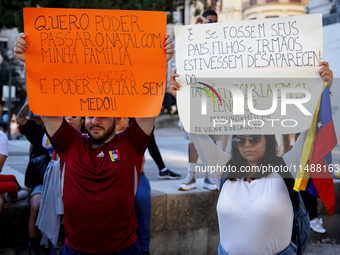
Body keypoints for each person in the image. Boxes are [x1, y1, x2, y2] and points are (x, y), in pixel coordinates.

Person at [14, 32, 174, 254]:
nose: (94, 121)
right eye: (89, 115)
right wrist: (31, 62)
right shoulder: (70, 142)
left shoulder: (131, 142)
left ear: (118, 118)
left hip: (124, 250)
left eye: (102, 115)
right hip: (75, 249)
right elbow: (48, 104)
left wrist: (158, 62)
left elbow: (148, 103)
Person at [169, 62, 333, 254]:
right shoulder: (223, 167)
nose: (246, 144)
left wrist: (324, 90)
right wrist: (181, 99)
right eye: (240, 139)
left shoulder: (287, 167)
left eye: (254, 138)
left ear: (267, 139)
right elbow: (198, 135)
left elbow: (310, 133)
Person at [179, 9, 219, 191]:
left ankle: (210, 176)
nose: (212, 25)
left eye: (215, 22)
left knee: (212, 136)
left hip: (213, 95)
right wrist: (197, 27)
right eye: (209, 21)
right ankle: (191, 175)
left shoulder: (220, 41)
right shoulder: (193, 37)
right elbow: (184, 47)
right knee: (193, 138)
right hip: (194, 94)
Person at [16, 100, 54, 255]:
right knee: (36, 205)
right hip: (42, 181)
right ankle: (34, 247)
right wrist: (31, 101)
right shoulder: (41, 132)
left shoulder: (77, 130)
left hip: (68, 182)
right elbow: (21, 120)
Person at [116, 119, 151, 255]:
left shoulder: (133, 134)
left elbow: (141, 162)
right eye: (125, 117)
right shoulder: (104, 135)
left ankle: (144, 248)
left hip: (137, 176)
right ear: (117, 118)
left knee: (142, 199)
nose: (128, 119)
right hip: (116, 177)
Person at [0, 130, 29, 213]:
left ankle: (14, 195)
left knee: (12, 179)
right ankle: (12, 196)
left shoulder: (1, 136)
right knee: (12, 186)